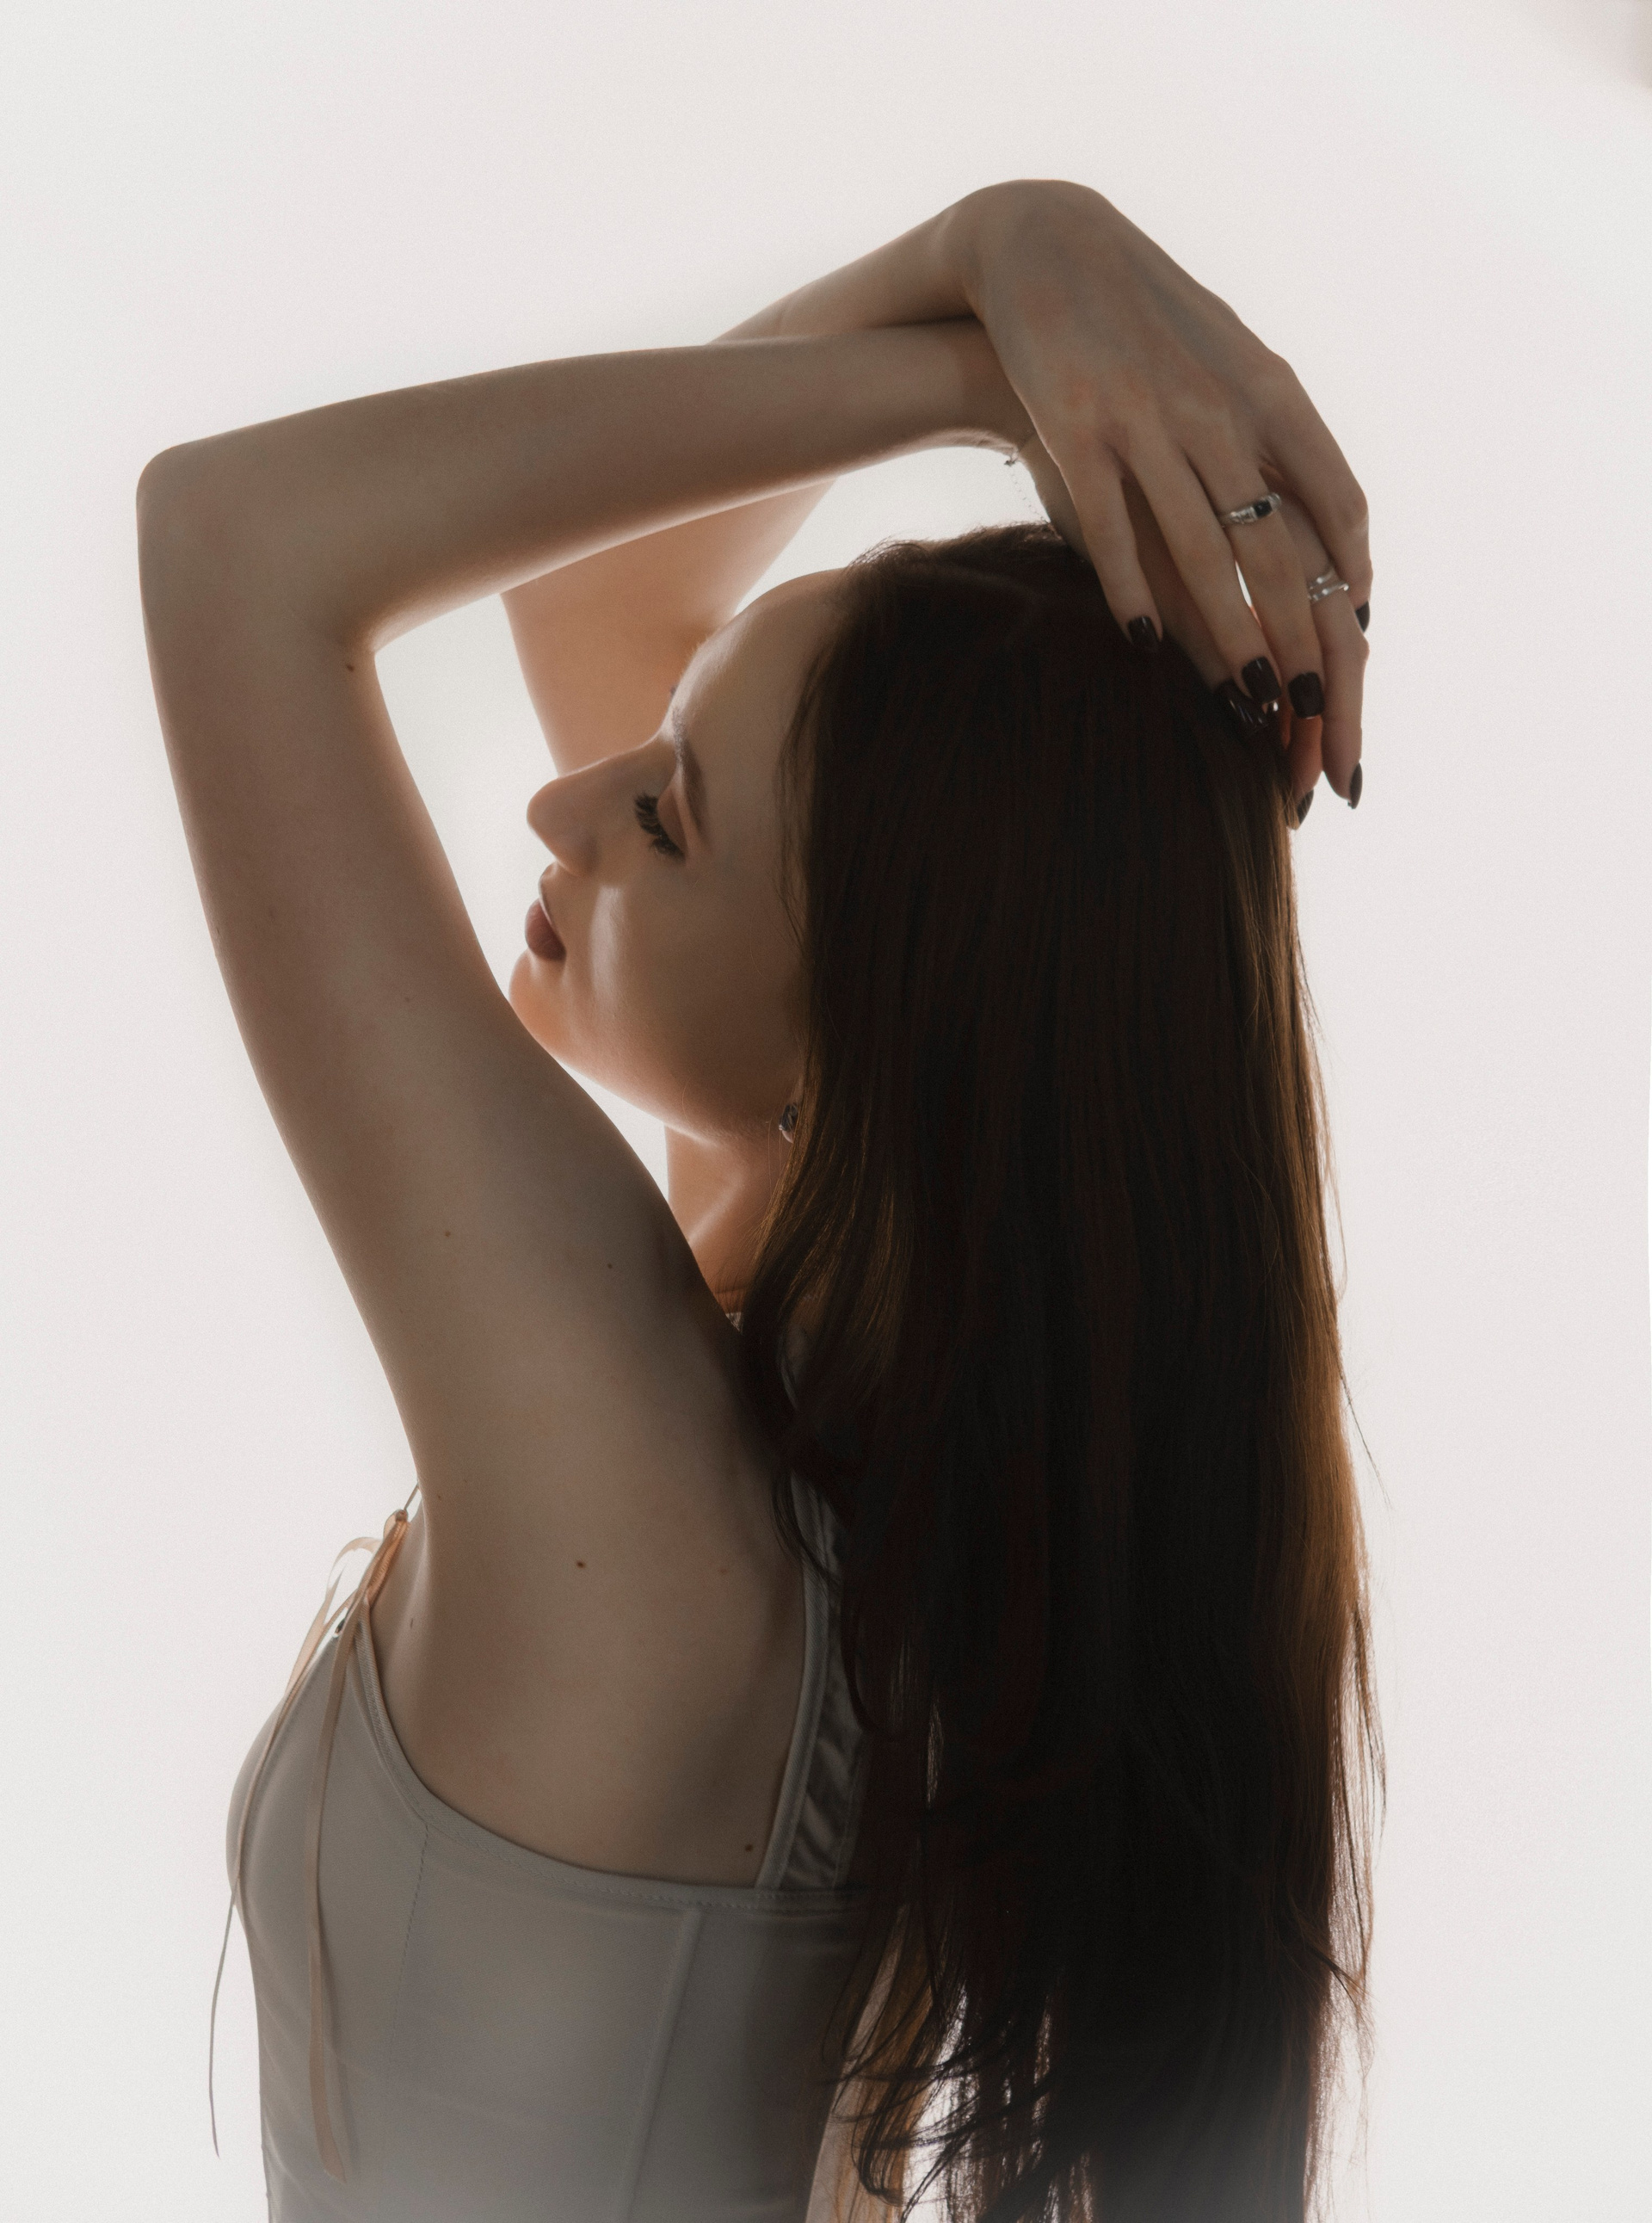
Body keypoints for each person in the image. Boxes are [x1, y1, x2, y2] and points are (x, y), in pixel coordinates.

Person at [139, 178, 1383, 2223]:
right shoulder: (832, 1406)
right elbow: (593, 597)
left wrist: (974, 378)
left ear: (864, 1048)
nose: (561, 803)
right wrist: (997, 243)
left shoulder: (638, 1489)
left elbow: (233, 542)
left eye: (667, 813)